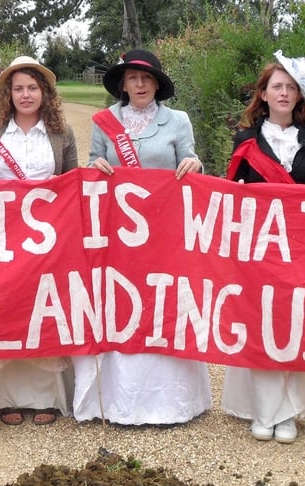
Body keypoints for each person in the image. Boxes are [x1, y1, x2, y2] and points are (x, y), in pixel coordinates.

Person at [74, 48, 212, 425]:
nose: (140, 84)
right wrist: (96, 166)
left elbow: (191, 162)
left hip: (165, 229)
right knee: (121, 298)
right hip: (119, 232)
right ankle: (120, 398)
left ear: (157, 84)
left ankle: (170, 401)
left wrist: (194, 163)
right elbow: (93, 165)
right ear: (122, 84)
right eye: (133, 78)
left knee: (161, 295)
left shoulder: (178, 120)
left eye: (146, 78)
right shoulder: (105, 122)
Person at [220, 51, 305, 444]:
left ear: (300, 95)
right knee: (261, 322)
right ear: (263, 94)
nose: (284, 93)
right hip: (257, 245)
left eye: (291, 87)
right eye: (276, 86)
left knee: (293, 324)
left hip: (299, 246)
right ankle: (265, 410)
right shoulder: (245, 139)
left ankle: (288, 412)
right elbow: (230, 193)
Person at [0, 56, 77, 431]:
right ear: (7, 95)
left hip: (46, 239)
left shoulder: (61, 133)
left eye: (32, 88)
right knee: (5, 310)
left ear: (44, 93)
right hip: (1, 238)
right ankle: (3, 397)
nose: (25, 95)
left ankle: (46, 397)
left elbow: (73, 183)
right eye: (18, 89)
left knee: (43, 309)